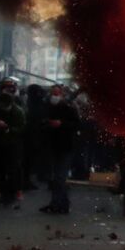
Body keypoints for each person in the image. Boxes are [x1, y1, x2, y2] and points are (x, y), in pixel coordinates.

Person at [39, 84, 80, 214]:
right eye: (53, 93)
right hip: (54, 145)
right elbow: (42, 122)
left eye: (57, 94)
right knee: (56, 178)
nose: (55, 96)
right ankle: (59, 203)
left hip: (66, 146)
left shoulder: (69, 108)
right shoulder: (47, 106)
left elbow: (77, 124)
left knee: (59, 177)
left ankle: (59, 204)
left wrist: (62, 124)